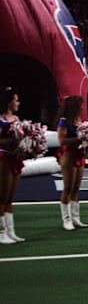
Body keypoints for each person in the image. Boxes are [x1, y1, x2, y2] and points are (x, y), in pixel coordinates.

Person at [54, 96, 88, 230]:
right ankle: (66, 220)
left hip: (79, 155)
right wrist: (80, 137)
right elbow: (61, 141)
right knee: (68, 187)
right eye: (79, 105)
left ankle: (76, 218)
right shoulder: (64, 121)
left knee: (76, 188)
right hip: (68, 154)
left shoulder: (79, 121)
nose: (81, 107)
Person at [0, 88, 25, 244]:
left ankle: (11, 231)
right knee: (1, 197)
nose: (18, 103)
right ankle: (1, 233)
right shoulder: (0, 119)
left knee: (10, 198)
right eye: (16, 100)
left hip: (16, 158)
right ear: (9, 102)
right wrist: (10, 142)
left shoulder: (16, 118)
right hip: (3, 158)